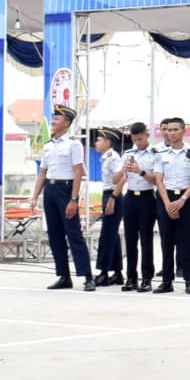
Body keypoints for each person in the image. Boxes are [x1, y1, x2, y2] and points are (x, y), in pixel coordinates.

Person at [39, 105, 92, 290]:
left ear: (67, 123)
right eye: (53, 118)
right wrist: (34, 197)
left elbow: (78, 172)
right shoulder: (48, 146)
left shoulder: (73, 144)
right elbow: (42, 173)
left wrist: (74, 199)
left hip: (66, 189)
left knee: (73, 233)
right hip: (50, 190)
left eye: (57, 119)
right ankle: (63, 276)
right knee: (55, 235)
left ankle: (87, 276)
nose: (53, 121)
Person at [152, 117, 190, 294]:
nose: (171, 133)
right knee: (166, 241)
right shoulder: (161, 153)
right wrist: (167, 203)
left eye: (175, 129)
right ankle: (166, 280)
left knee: (186, 242)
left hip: (185, 198)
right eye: (168, 130)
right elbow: (158, 179)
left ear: (183, 131)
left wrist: (182, 200)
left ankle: (189, 280)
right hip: (166, 197)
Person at [119, 122, 160, 291]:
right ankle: (131, 277)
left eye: (141, 139)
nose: (138, 142)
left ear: (147, 135)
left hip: (147, 197)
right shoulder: (128, 153)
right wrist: (122, 170)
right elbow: (119, 177)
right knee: (129, 239)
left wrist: (140, 171)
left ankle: (147, 278)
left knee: (146, 239)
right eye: (135, 139)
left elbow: (157, 180)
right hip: (130, 197)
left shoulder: (155, 154)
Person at [90, 130, 123, 289]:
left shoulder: (113, 158)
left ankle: (103, 272)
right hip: (108, 194)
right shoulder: (107, 158)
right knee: (112, 235)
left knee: (106, 235)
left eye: (99, 140)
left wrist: (113, 198)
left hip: (112, 195)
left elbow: (121, 178)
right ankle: (117, 273)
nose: (96, 143)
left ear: (108, 142)